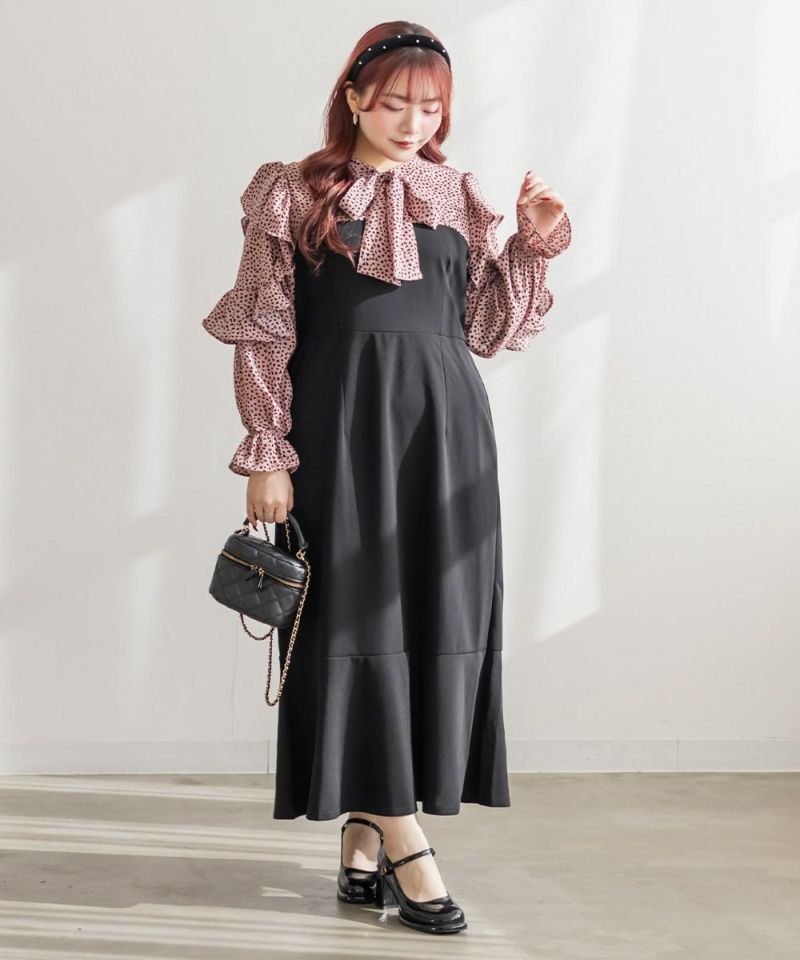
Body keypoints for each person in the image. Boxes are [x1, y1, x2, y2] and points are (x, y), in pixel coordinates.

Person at [202, 20, 572, 936]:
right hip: (338, 432)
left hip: (448, 434)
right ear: (355, 98)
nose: (414, 122)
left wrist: (529, 247)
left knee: (434, 619)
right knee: (356, 622)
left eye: (432, 107)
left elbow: (487, 330)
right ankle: (406, 839)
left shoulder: (458, 194)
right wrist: (267, 450)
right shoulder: (292, 191)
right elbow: (265, 328)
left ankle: (364, 839)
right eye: (397, 102)